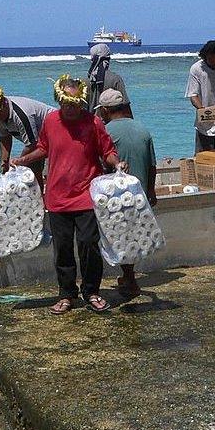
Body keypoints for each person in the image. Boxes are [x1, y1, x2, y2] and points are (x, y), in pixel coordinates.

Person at [12, 75, 119, 315]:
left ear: (81, 102)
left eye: (75, 104)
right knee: (62, 248)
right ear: (59, 101)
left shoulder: (94, 122)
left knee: (88, 243)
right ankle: (66, 294)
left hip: (86, 195)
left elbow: (108, 151)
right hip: (58, 197)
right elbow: (43, 148)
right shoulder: (50, 121)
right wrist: (22, 160)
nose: (70, 108)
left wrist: (118, 163)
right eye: (66, 104)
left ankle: (91, 291)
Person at [94, 88, 157, 298]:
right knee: (131, 235)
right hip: (140, 194)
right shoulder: (143, 129)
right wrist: (151, 191)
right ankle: (129, 278)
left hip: (117, 194)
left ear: (104, 110)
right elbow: (152, 165)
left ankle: (130, 280)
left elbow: (102, 164)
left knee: (121, 238)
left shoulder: (106, 131)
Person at [0, 86, 54, 187]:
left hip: (54, 133)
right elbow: (4, 137)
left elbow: (32, 144)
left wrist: (18, 161)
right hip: (38, 139)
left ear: (4, 104)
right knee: (31, 168)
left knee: (47, 173)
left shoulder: (21, 115)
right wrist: (4, 163)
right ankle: (38, 197)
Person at [86, 44, 132, 116]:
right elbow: (125, 106)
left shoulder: (85, 81)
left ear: (92, 59)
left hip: (90, 124)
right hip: (110, 124)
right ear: (108, 59)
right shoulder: (115, 79)